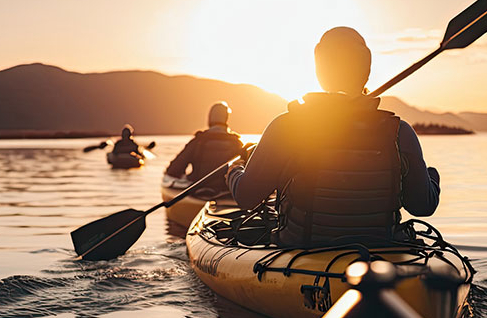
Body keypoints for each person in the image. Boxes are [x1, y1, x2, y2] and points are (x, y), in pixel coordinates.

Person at [225, 27, 441, 247]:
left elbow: (247, 197)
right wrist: (432, 176)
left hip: (303, 248)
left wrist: (234, 170)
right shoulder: (400, 132)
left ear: (320, 71)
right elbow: (423, 206)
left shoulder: (287, 126)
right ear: (366, 70)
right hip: (380, 249)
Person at [165, 101, 245, 191]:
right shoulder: (237, 143)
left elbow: (173, 170)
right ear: (226, 119)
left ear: (210, 119)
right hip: (226, 191)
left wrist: (184, 178)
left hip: (199, 190)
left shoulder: (198, 141)